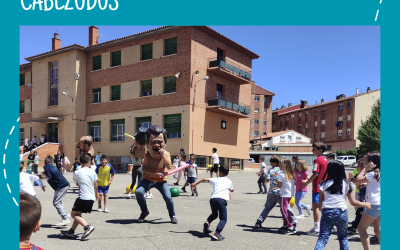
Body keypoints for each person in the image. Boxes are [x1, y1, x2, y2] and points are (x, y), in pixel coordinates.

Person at [314, 160, 371, 250]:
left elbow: (320, 202)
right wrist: (366, 204)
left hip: (327, 212)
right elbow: (353, 202)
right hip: (342, 212)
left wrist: (323, 210)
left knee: (323, 238)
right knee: (343, 237)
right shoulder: (346, 184)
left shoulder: (324, 184)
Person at [135, 125, 177, 223]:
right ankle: (144, 211)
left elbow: (169, 166)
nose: (156, 145)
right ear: (147, 144)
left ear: (165, 143)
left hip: (161, 181)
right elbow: (144, 169)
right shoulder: (147, 155)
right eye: (153, 142)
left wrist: (163, 156)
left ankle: (172, 215)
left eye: (160, 142)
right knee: (138, 192)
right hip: (148, 179)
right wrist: (155, 173)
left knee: (168, 197)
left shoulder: (166, 154)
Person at [254, 155, 298, 230]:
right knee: (286, 208)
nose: (270, 163)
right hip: (280, 192)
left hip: (272, 192)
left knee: (267, 208)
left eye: (271, 162)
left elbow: (267, 180)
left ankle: (259, 221)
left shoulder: (271, 170)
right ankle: (293, 221)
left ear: (274, 163)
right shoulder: (284, 170)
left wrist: (267, 180)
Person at [61, 153, 99, 240]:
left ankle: (87, 227)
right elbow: (96, 184)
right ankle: (71, 231)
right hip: (91, 197)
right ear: (89, 162)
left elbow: (77, 184)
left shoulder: (77, 172)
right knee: (78, 214)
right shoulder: (93, 171)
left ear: (80, 162)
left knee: (73, 214)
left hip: (83, 197)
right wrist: (96, 194)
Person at [191, 164, 233, 241]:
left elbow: (204, 179)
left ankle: (207, 222)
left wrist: (195, 184)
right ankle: (217, 233)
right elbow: (231, 189)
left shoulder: (216, 179)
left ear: (219, 172)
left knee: (214, 214)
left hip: (213, 199)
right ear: (228, 173)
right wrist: (231, 190)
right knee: (223, 219)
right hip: (221, 200)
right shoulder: (229, 182)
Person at [352, 152, 381, 249]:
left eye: (364, 160)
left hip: (373, 205)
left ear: (370, 162)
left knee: (361, 229)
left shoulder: (372, 174)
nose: (362, 161)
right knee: (377, 230)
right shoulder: (380, 173)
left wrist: (365, 169)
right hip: (380, 204)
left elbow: (356, 180)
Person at [302, 142, 328, 236]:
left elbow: (315, 174)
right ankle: (323, 227)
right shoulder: (325, 159)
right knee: (321, 207)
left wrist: (306, 183)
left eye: (313, 149)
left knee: (316, 207)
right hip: (324, 186)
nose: (312, 151)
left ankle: (317, 228)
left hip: (317, 187)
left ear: (320, 150)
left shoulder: (317, 160)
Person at [41, 155, 70, 226]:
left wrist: (44, 174)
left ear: (45, 163)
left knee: (56, 202)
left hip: (61, 186)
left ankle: (65, 218)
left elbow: (49, 176)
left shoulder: (46, 167)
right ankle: (65, 215)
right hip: (64, 185)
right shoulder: (54, 167)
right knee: (58, 201)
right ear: (53, 162)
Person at [347, 156, 367, 234]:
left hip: (366, 195)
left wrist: (363, 184)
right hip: (360, 193)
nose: (357, 167)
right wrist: (350, 177)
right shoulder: (357, 172)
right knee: (359, 211)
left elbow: (366, 182)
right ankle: (356, 226)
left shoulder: (368, 174)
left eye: (358, 166)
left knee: (360, 211)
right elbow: (351, 181)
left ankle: (355, 227)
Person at [277, 158, 296, 234]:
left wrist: (276, 183)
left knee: (284, 210)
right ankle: (285, 225)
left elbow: (279, 185)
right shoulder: (290, 173)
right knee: (283, 209)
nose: (278, 166)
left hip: (284, 194)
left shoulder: (281, 174)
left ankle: (290, 226)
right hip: (290, 194)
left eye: (280, 164)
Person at [127, 129, 146, 199]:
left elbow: (130, 148)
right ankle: (139, 194)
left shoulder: (132, 155)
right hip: (140, 168)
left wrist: (134, 144)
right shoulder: (141, 155)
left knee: (133, 182)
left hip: (134, 168)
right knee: (139, 182)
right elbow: (145, 148)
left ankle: (129, 194)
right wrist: (140, 146)